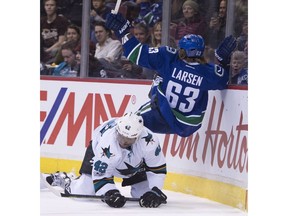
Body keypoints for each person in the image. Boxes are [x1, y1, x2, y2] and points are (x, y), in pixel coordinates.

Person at [105, 12, 237, 137]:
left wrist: (122, 31)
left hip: (161, 115)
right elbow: (223, 80)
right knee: (159, 82)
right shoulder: (207, 72)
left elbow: (136, 53)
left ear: (182, 50)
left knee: (127, 125)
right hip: (187, 125)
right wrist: (222, 61)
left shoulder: (169, 58)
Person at [46, 112, 167, 208]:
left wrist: (155, 191)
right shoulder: (107, 144)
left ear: (138, 136)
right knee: (83, 193)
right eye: (121, 136)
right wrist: (110, 192)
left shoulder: (149, 141)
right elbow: (102, 176)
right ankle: (66, 180)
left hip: (135, 164)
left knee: (143, 195)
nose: (124, 141)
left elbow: (157, 169)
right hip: (100, 154)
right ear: (117, 130)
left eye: (129, 139)